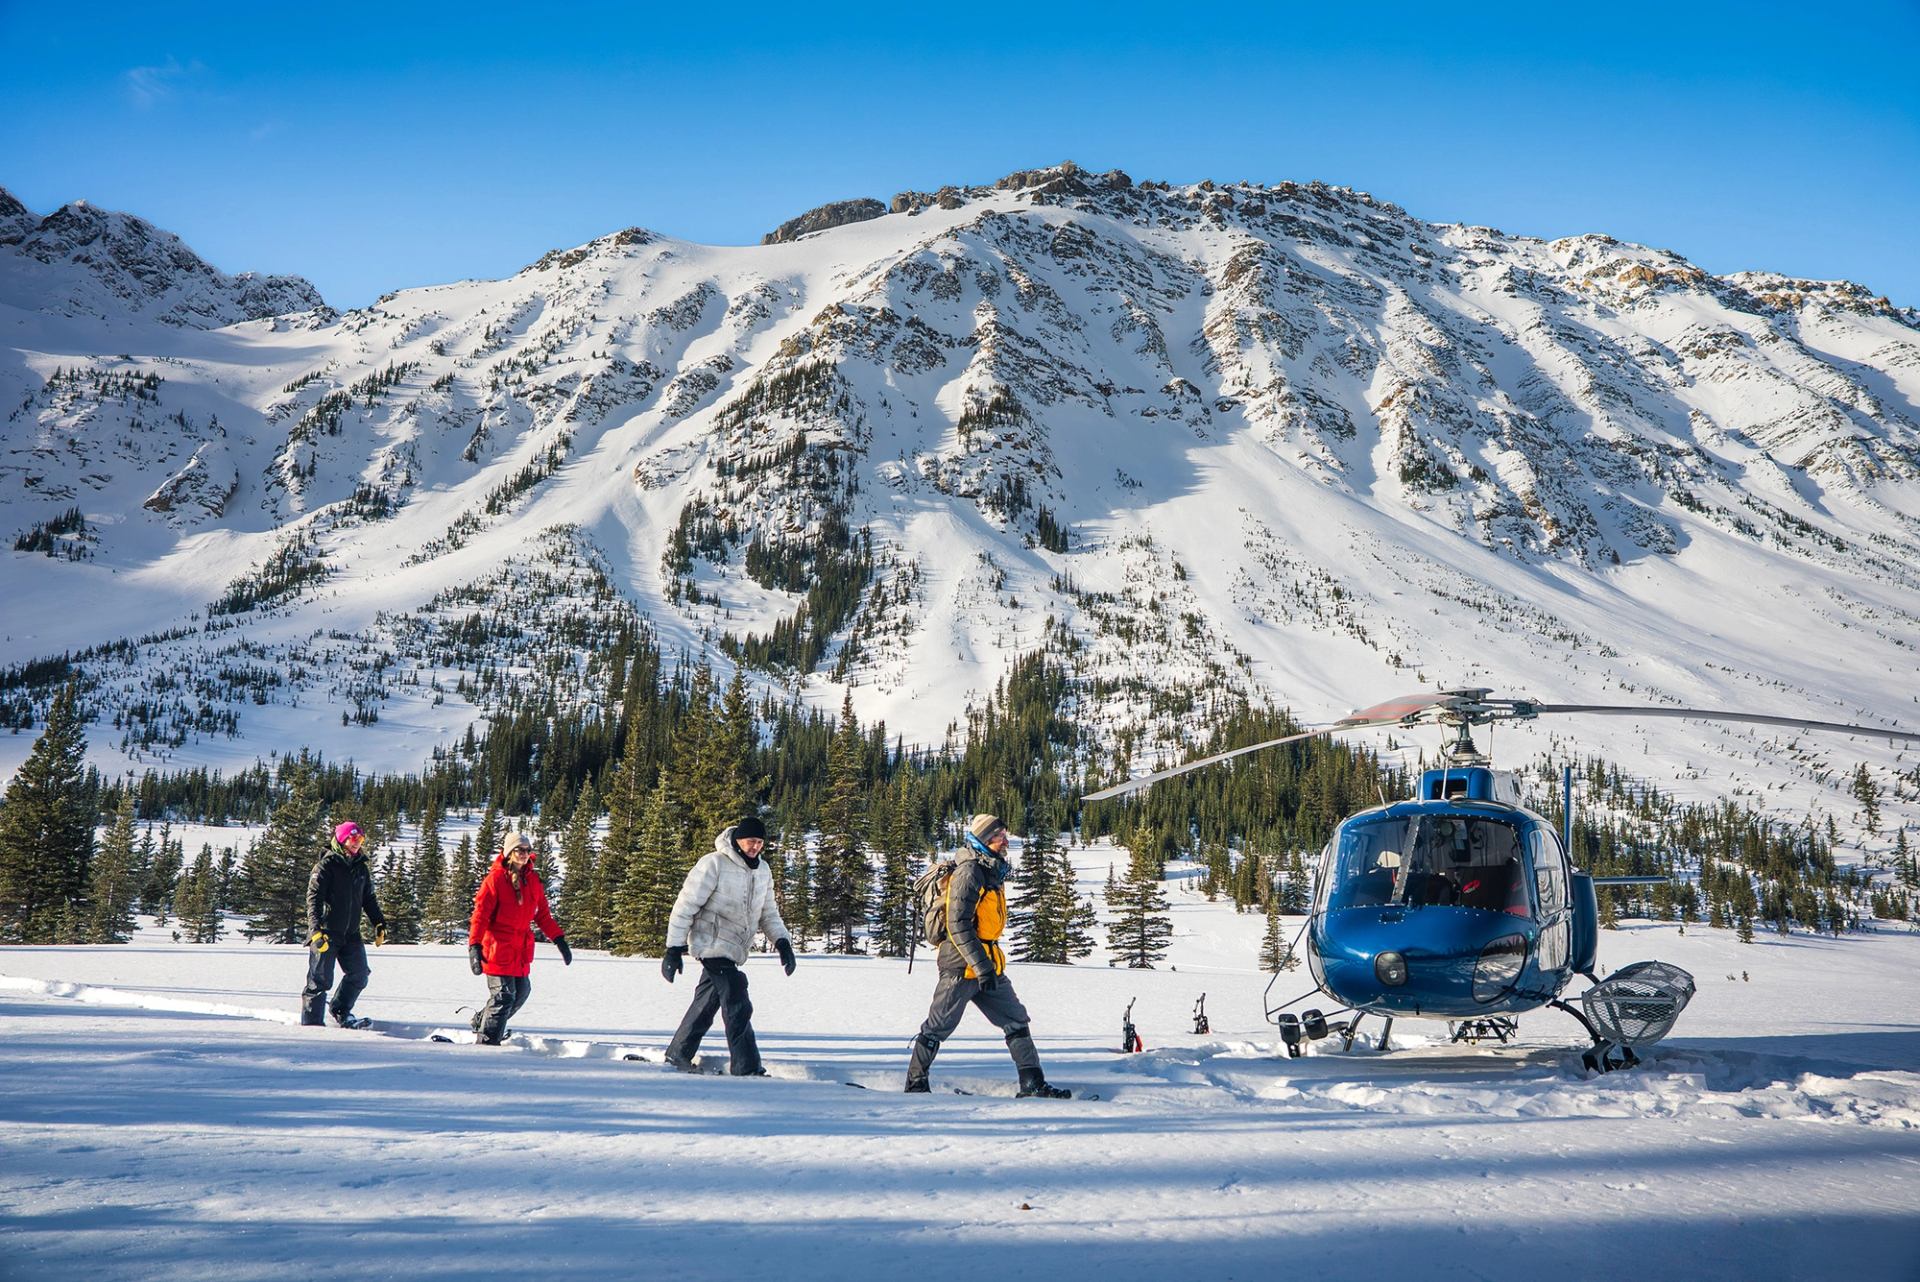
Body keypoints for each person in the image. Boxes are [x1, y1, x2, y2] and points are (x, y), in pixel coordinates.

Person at [906, 813, 1070, 1098]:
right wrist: (981, 966)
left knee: (1016, 1018)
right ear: (983, 840)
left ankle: (1032, 1084)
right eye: (998, 836)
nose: (1005, 840)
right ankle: (916, 1083)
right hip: (960, 965)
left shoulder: (990, 869)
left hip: (986, 962)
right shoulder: (970, 872)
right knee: (938, 1026)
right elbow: (958, 925)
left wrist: (986, 967)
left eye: (1004, 834)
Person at [660, 815, 796, 1076]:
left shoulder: (762, 871)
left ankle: (678, 1053)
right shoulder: (714, 864)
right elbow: (685, 906)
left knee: (707, 1002)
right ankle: (747, 1067)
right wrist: (673, 948)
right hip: (710, 944)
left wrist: (783, 943)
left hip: (733, 949)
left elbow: (768, 913)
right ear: (737, 840)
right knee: (737, 999)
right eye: (749, 841)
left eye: (759, 842)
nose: (754, 846)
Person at [466, 830, 572, 1045]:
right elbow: (480, 916)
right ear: (509, 852)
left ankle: (481, 1022)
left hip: (520, 949)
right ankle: (487, 1041)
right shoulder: (495, 880)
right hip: (497, 947)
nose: (524, 854)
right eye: (519, 850)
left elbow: (542, 915)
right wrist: (474, 946)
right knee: (504, 996)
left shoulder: (532, 880)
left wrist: (559, 940)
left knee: (521, 992)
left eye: (527, 850)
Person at [301, 820, 387, 1028]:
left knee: (359, 975)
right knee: (320, 981)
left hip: (351, 934)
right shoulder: (326, 866)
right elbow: (314, 898)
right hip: (326, 933)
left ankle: (340, 1009)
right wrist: (315, 930)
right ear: (342, 839)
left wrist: (379, 923)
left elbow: (369, 899)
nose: (357, 843)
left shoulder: (360, 868)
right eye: (353, 838)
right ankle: (312, 1026)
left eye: (361, 839)